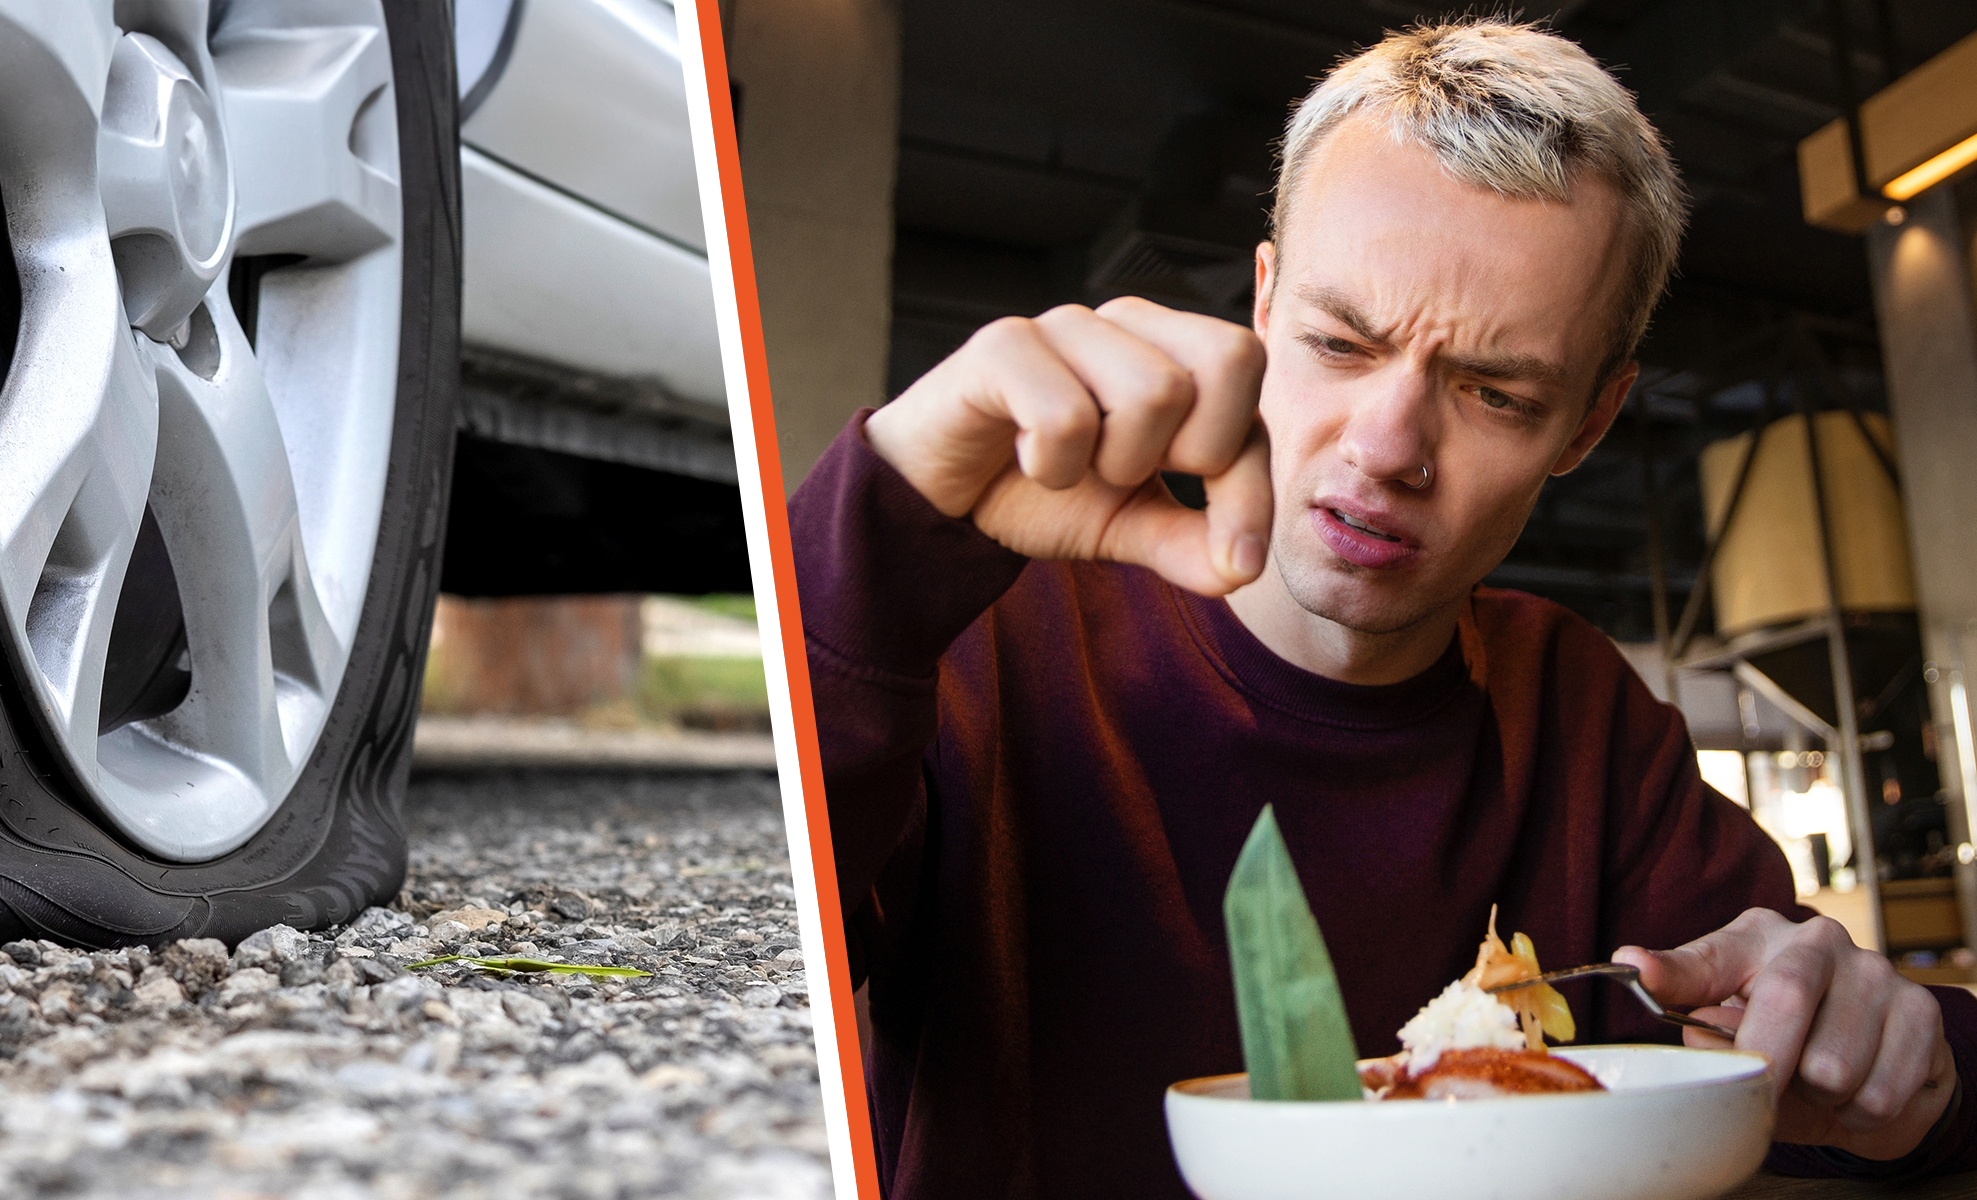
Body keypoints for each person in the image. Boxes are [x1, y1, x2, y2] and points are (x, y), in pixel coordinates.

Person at [790, 19, 1977, 1198]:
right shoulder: (980, 643)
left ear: (1593, 423)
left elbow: (1819, 1071)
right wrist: (877, 543)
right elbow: (740, 956)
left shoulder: (1576, 713)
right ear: (1263, 300)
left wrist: (1905, 1074)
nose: (1389, 445)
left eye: (1497, 394)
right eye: (1338, 341)